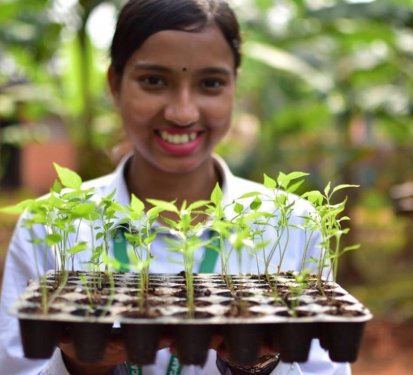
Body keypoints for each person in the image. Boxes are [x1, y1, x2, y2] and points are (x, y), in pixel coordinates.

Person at [0, 0, 352, 374]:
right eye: (154, 80)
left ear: (234, 87)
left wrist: (261, 362)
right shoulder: (51, 224)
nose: (182, 113)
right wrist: (80, 364)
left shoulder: (293, 224)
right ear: (115, 84)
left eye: (210, 83)